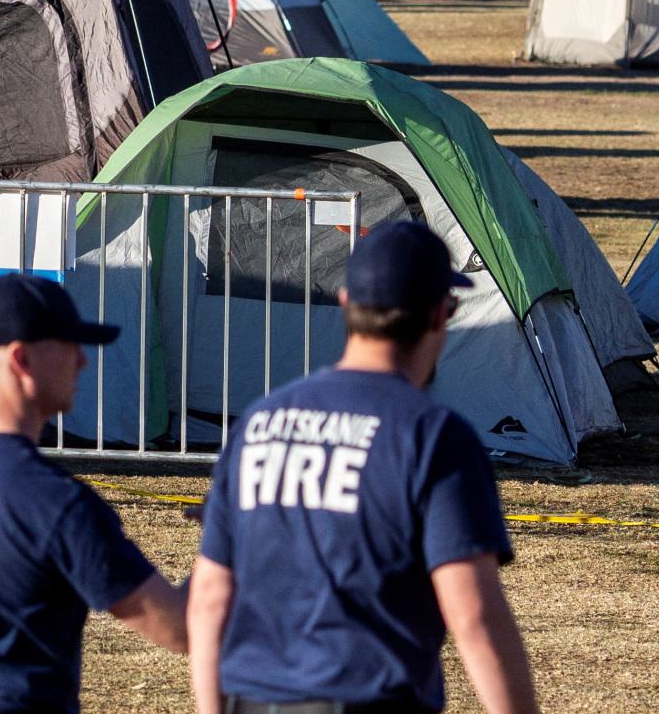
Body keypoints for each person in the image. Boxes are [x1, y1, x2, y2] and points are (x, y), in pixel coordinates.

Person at [188, 220, 539, 714]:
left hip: (250, 700)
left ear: (347, 303)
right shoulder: (432, 435)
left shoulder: (261, 422)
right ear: (442, 314)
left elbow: (208, 596)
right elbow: (473, 615)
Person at [0, 273, 186, 713]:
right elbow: (179, 628)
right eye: (69, 346)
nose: (83, 362)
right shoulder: (55, 504)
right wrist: (235, 541)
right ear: (22, 359)